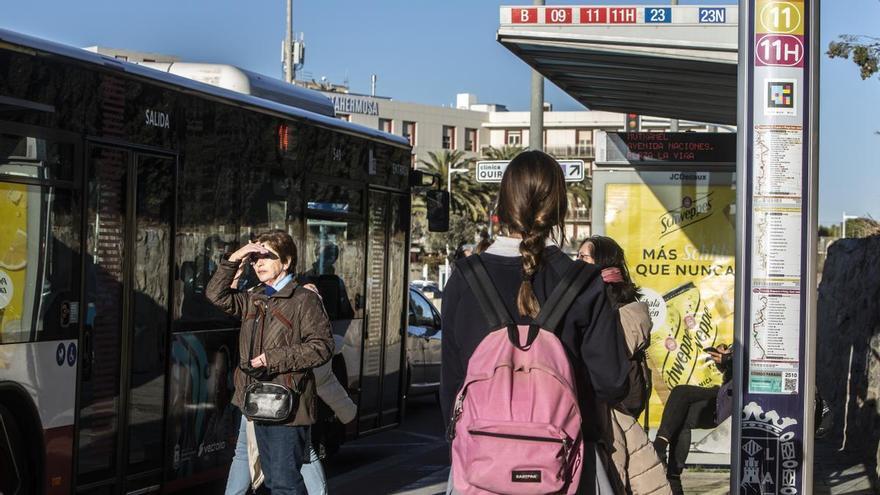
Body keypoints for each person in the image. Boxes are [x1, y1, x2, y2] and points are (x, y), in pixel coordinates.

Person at [440, 150, 631, 494]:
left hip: (481, 470)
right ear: (559, 209)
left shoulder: (464, 280)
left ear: (501, 204)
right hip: (568, 468)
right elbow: (613, 382)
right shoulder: (585, 283)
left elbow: (452, 386)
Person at [207, 230, 334, 495]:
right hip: (255, 400)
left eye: (267, 257)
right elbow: (215, 295)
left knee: (284, 482)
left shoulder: (303, 299)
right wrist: (236, 258)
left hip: (287, 404)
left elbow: (322, 347)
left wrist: (272, 359)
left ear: (286, 262)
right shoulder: (255, 296)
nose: (259, 263)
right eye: (255, 259)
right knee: (275, 482)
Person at [578, 236, 671, 495]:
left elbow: (608, 352)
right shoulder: (589, 302)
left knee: (616, 470)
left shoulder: (627, 311)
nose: (577, 262)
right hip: (596, 406)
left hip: (614, 406)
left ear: (604, 264)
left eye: (584, 257)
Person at [652, 344, 733, 495]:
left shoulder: (753, 339)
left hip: (731, 399)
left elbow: (750, 366)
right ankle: (673, 480)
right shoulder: (739, 339)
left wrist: (728, 358)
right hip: (724, 395)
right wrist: (723, 361)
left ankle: (659, 447)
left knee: (681, 392)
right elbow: (732, 370)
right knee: (680, 417)